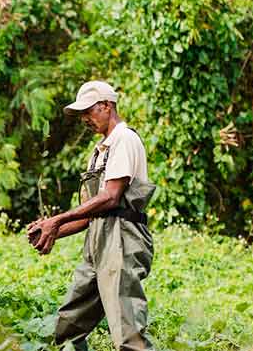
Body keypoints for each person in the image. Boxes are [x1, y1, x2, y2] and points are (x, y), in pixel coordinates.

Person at [27, 81, 156, 351]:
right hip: (98, 240)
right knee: (70, 322)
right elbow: (89, 214)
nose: (85, 119)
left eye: (89, 111)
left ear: (106, 106)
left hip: (122, 238)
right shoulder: (99, 151)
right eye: (81, 114)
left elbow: (110, 197)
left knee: (127, 328)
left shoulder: (125, 139)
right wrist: (50, 230)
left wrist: (58, 218)